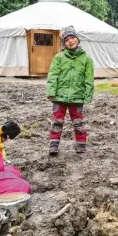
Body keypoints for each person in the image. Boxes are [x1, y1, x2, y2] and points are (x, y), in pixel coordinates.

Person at [47, 26, 94, 155]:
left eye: (73, 38)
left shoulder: (87, 60)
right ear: (64, 43)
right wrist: (51, 92)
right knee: (57, 121)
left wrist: (88, 95)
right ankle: (54, 145)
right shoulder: (59, 58)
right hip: (59, 96)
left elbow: (89, 79)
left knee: (78, 122)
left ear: (77, 39)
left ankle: (81, 144)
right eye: (67, 40)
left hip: (77, 96)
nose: (71, 41)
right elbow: (53, 76)